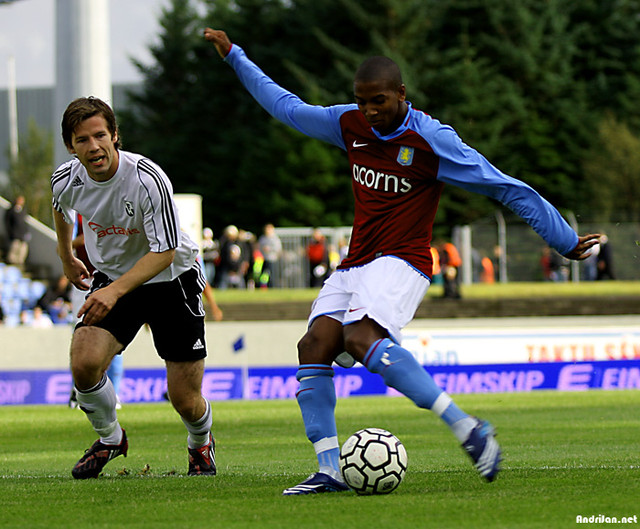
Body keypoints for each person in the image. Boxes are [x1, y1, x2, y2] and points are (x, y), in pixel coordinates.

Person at [203, 28, 600, 495]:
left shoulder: (431, 140)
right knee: (313, 346)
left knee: (359, 336)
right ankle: (329, 470)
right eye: (362, 101)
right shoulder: (348, 123)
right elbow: (285, 106)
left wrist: (563, 238)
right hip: (356, 262)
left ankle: (468, 427)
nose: (370, 111)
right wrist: (235, 56)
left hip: (403, 260)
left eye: (379, 101)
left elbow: (502, 185)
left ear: (401, 94)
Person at [51, 96, 216, 479]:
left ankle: (200, 442)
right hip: (113, 276)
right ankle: (110, 438)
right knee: (84, 363)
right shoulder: (65, 179)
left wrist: (113, 291)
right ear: (71, 147)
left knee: (185, 399)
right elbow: (59, 207)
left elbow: (165, 251)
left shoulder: (147, 178)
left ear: (114, 135)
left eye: (99, 135)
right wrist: (66, 256)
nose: (93, 146)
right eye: (82, 140)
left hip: (172, 277)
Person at [4, 195, 30, 266]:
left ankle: (19, 264)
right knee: (14, 250)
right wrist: (10, 233)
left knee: (23, 250)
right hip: (15, 235)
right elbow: (7, 222)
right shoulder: (11, 210)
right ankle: (11, 263)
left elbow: (25, 223)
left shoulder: (23, 211)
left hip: (23, 235)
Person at [257, 223, 283, 288]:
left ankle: (272, 286)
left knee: (272, 275)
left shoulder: (275, 239)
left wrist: (269, 249)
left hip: (272, 259)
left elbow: (278, 249)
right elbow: (259, 247)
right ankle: (262, 286)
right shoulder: (263, 238)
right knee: (263, 274)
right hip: (264, 258)